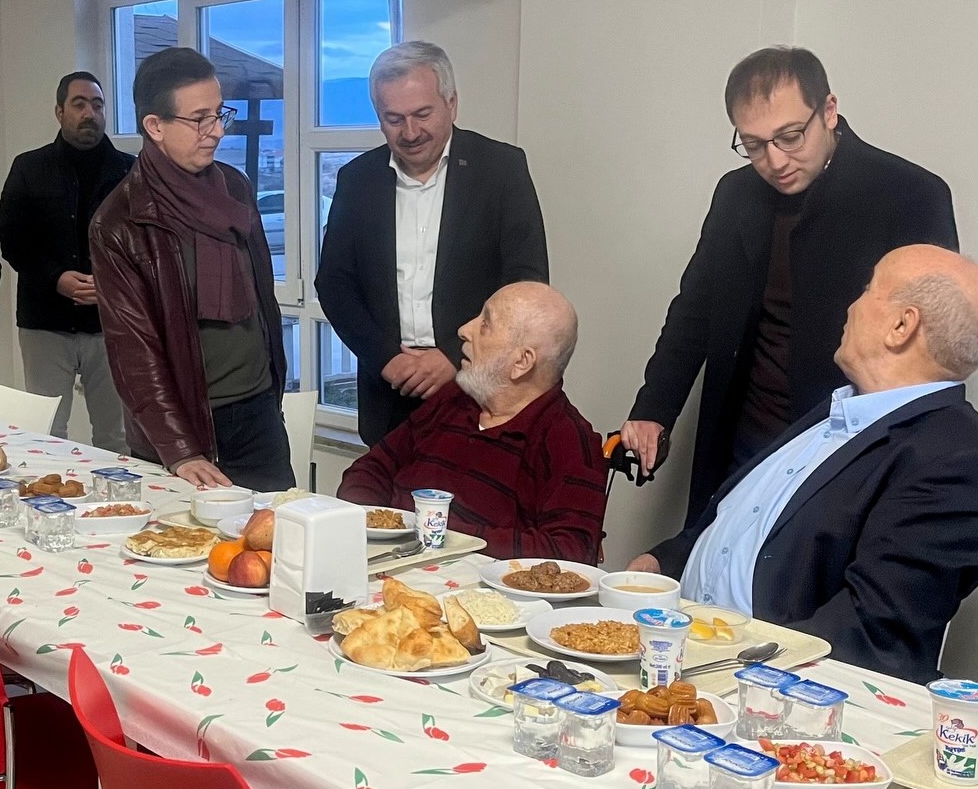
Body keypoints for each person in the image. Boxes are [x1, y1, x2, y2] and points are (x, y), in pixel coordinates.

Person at [627, 246, 978, 682]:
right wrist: (662, 563)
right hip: (673, 651)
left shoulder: (959, 461)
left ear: (902, 326)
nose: (851, 306)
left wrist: (724, 669)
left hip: (754, 689)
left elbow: (872, 635)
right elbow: (748, 523)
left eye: (868, 289)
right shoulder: (835, 415)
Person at [620, 47, 959, 527]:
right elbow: (696, 309)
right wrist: (654, 408)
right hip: (744, 441)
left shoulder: (910, 195)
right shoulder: (736, 194)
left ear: (829, 111)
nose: (775, 160)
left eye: (790, 136)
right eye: (754, 144)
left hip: (849, 451)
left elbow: (933, 352)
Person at [317, 41, 549, 447]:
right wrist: (386, 358)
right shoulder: (357, 179)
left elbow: (526, 282)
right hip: (389, 395)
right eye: (393, 119)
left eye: (422, 114)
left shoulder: (501, 169)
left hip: (479, 389)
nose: (410, 133)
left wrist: (455, 355)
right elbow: (335, 283)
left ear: (451, 104)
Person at [90, 48, 292, 490]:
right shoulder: (120, 222)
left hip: (259, 415)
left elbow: (263, 299)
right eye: (200, 119)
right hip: (182, 431)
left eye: (219, 114)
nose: (217, 130)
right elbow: (133, 350)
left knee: (278, 532)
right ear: (155, 126)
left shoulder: (235, 187)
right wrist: (180, 449)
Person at [338, 283, 608, 563]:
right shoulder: (453, 399)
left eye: (485, 324)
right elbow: (371, 469)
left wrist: (442, 534)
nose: (464, 330)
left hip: (475, 583)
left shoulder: (568, 441)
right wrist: (368, 522)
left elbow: (570, 552)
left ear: (522, 362)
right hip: (385, 562)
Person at [0, 72, 134, 451]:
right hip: (45, 324)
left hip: (112, 324)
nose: (89, 113)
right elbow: (13, 240)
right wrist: (55, 277)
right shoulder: (28, 168)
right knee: (46, 434)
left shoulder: (131, 173)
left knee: (116, 436)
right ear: (59, 112)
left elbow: (144, 247)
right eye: (79, 104)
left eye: (97, 105)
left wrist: (109, 284)